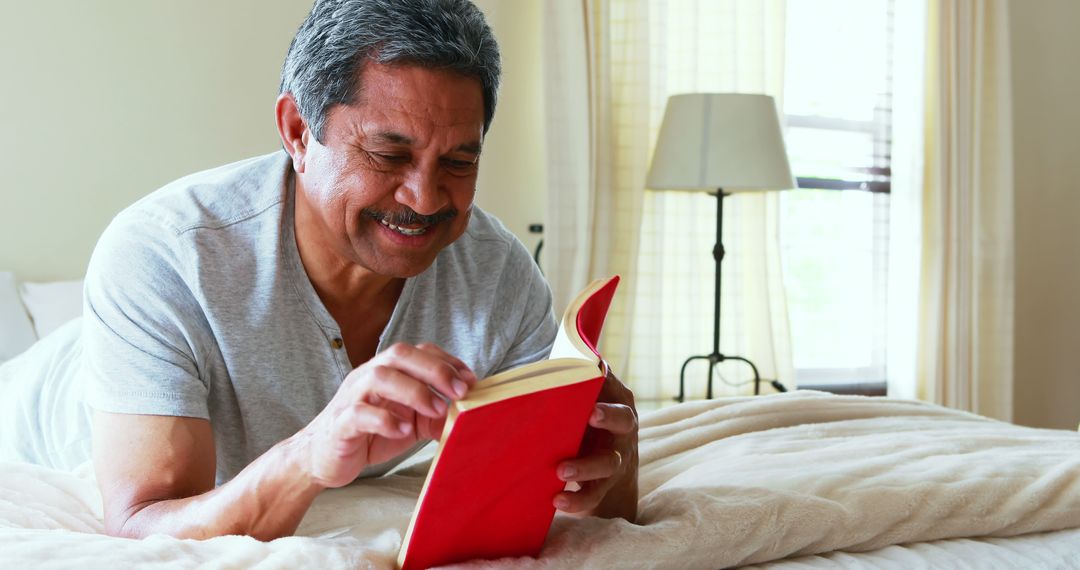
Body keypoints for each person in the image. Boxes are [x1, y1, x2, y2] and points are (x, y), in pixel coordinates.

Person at [77, 0, 638, 541]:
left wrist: (616, 462)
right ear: (298, 129)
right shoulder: (162, 256)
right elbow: (140, 529)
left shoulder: (497, 275)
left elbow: (576, 508)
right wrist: (309, 454)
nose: (423, 199)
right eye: (387, 155)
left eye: (459, 162)